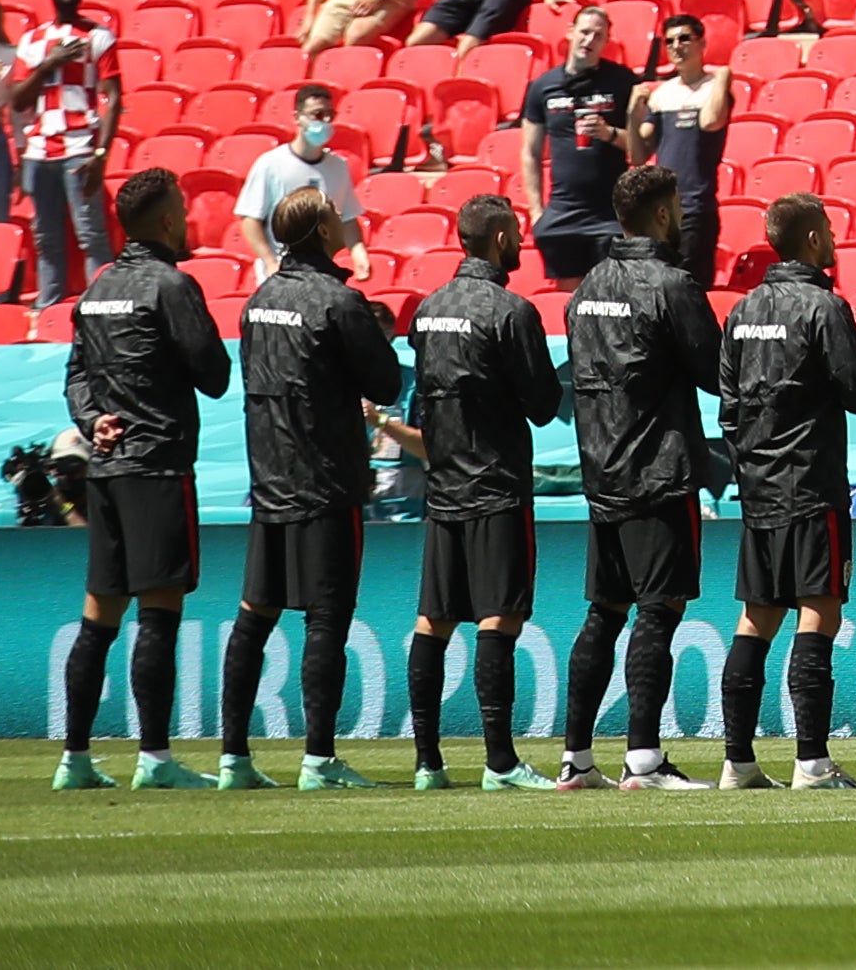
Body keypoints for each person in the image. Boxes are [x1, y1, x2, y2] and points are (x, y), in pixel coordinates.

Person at [213, 183, 402, 790]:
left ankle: (233, 759)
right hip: (325, 481)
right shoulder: (339, 303)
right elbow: (388, 382)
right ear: (323, 233)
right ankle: (319, 758)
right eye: (335, 219)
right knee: (327, 620)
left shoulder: (258, 300)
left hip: (269, 481)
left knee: (254, 617)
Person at [54, 162, 229, 788]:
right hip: (157, 465)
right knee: (158, 614)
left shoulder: (97, 287)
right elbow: (215, 375)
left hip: (104, 471)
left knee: (98, 618)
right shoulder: (171, 286)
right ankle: (154, 758)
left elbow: (75, 374)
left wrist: (94, 416)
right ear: (164, 220)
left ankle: (74, 759)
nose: (188, 219)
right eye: (182, 210)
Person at [551, 164, 718, 788]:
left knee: (605, 611)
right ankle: (643, 759)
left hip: (602, 468)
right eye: (677, 206)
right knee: (659, 609)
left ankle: (577, 758)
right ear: (660, 214)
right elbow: (713, 370)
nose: (682, 216)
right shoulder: (672, 284)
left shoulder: (588, 284)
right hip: (658, 467)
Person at [398, 189, 567, 789]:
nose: (522, 243)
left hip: (442, 486)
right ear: (500, 240)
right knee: (498, 621)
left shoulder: (428, 309)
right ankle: (499, 762)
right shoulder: (511, 312)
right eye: (517, 233)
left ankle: (427, 764)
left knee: (433, 621)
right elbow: (544, 405)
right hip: (495, 485)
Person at [712, 193, 856, 788]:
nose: (835, 239)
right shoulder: (823, 307)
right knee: (820, 613)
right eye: (830, 230)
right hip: (811, 484)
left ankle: (738, 761)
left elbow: (727, 407)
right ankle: (811, 760)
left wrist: (751, 461)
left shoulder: (742, 311)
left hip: (758, 490)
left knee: (755, 620)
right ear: (813, 240)